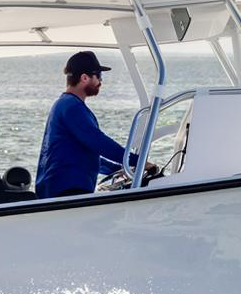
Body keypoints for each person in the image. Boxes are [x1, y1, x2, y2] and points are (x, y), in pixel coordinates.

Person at [34, 50, 154, 199]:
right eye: (98, 76)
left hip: (59, 189)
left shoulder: (64, 104)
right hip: (67, 192)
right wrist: (139, 161)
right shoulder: (72, 107)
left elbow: (86, 155)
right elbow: (99, 142)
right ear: (84, 78)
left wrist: (119, 168)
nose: (101, 82)